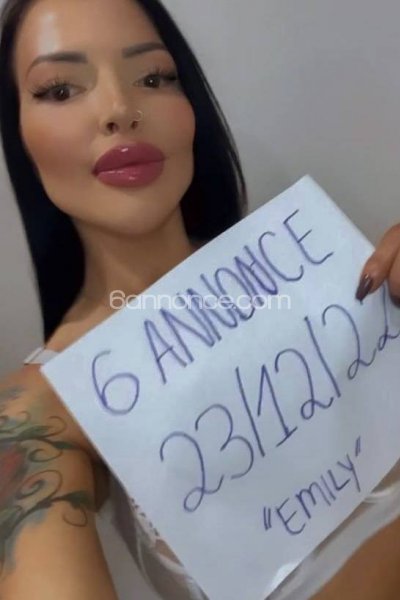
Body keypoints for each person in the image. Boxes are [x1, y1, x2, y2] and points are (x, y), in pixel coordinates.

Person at [1, 0, 400, 598]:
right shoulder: (41, 415)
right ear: (19, 135)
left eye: (154, 77)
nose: (119, 109)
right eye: (60, 89)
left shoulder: (331, 272)